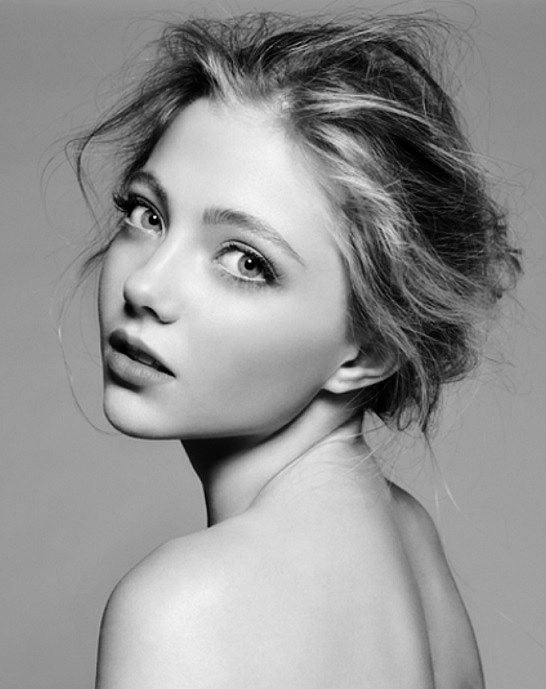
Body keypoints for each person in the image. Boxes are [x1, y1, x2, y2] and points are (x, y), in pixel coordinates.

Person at [68, 10, 521, 688]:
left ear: (369, 349)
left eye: (246, 261)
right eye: (147, 214)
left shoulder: (183, 609)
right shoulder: (408, 539)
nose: (144, 285)